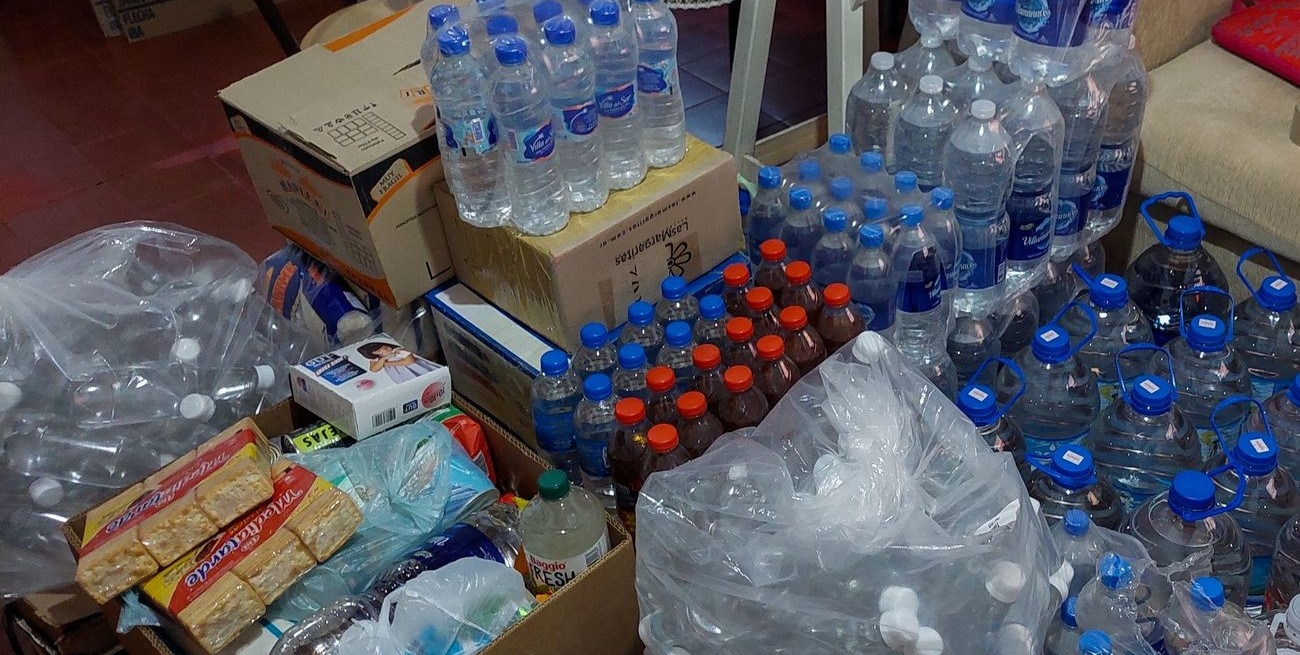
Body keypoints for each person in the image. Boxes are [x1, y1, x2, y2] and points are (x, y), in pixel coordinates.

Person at [358, 342, 438, 383]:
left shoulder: (397, 351)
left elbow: (411, 360)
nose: (383, 350)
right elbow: (373, 369)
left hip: (415, 369)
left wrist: (387, 364)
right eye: (379, 351)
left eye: (384, 347)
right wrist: (383, 359)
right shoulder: (380, 358)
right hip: (403, 377)